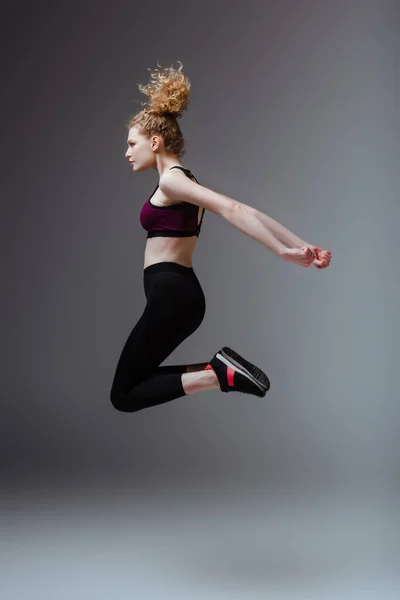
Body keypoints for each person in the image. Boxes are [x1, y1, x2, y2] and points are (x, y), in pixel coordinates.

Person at [110, 61, 332, 413]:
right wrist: (299, 242)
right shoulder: (183, 181)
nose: (126, 152)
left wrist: (285, 251)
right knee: (133, 384)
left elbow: (234, 209)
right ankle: (220, 372)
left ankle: (218, 374)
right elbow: (246, 209)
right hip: (177, 295)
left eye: (131, 143)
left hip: (173, 295)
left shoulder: (172, 181)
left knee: (124, 394)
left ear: (154, 141)